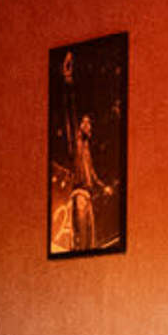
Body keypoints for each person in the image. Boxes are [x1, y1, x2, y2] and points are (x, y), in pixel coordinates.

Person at [49, 105, 116, 254]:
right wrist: (69, 90)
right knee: (81, 237)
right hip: (79, 196)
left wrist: (104, 186)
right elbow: (70, 121)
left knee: (90, 240)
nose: (88, 126)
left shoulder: (87, 153)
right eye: (85, 122)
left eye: (90, 123)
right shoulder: (76, 144)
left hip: (88, 198)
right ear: (79, 126)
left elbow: (93, 175)